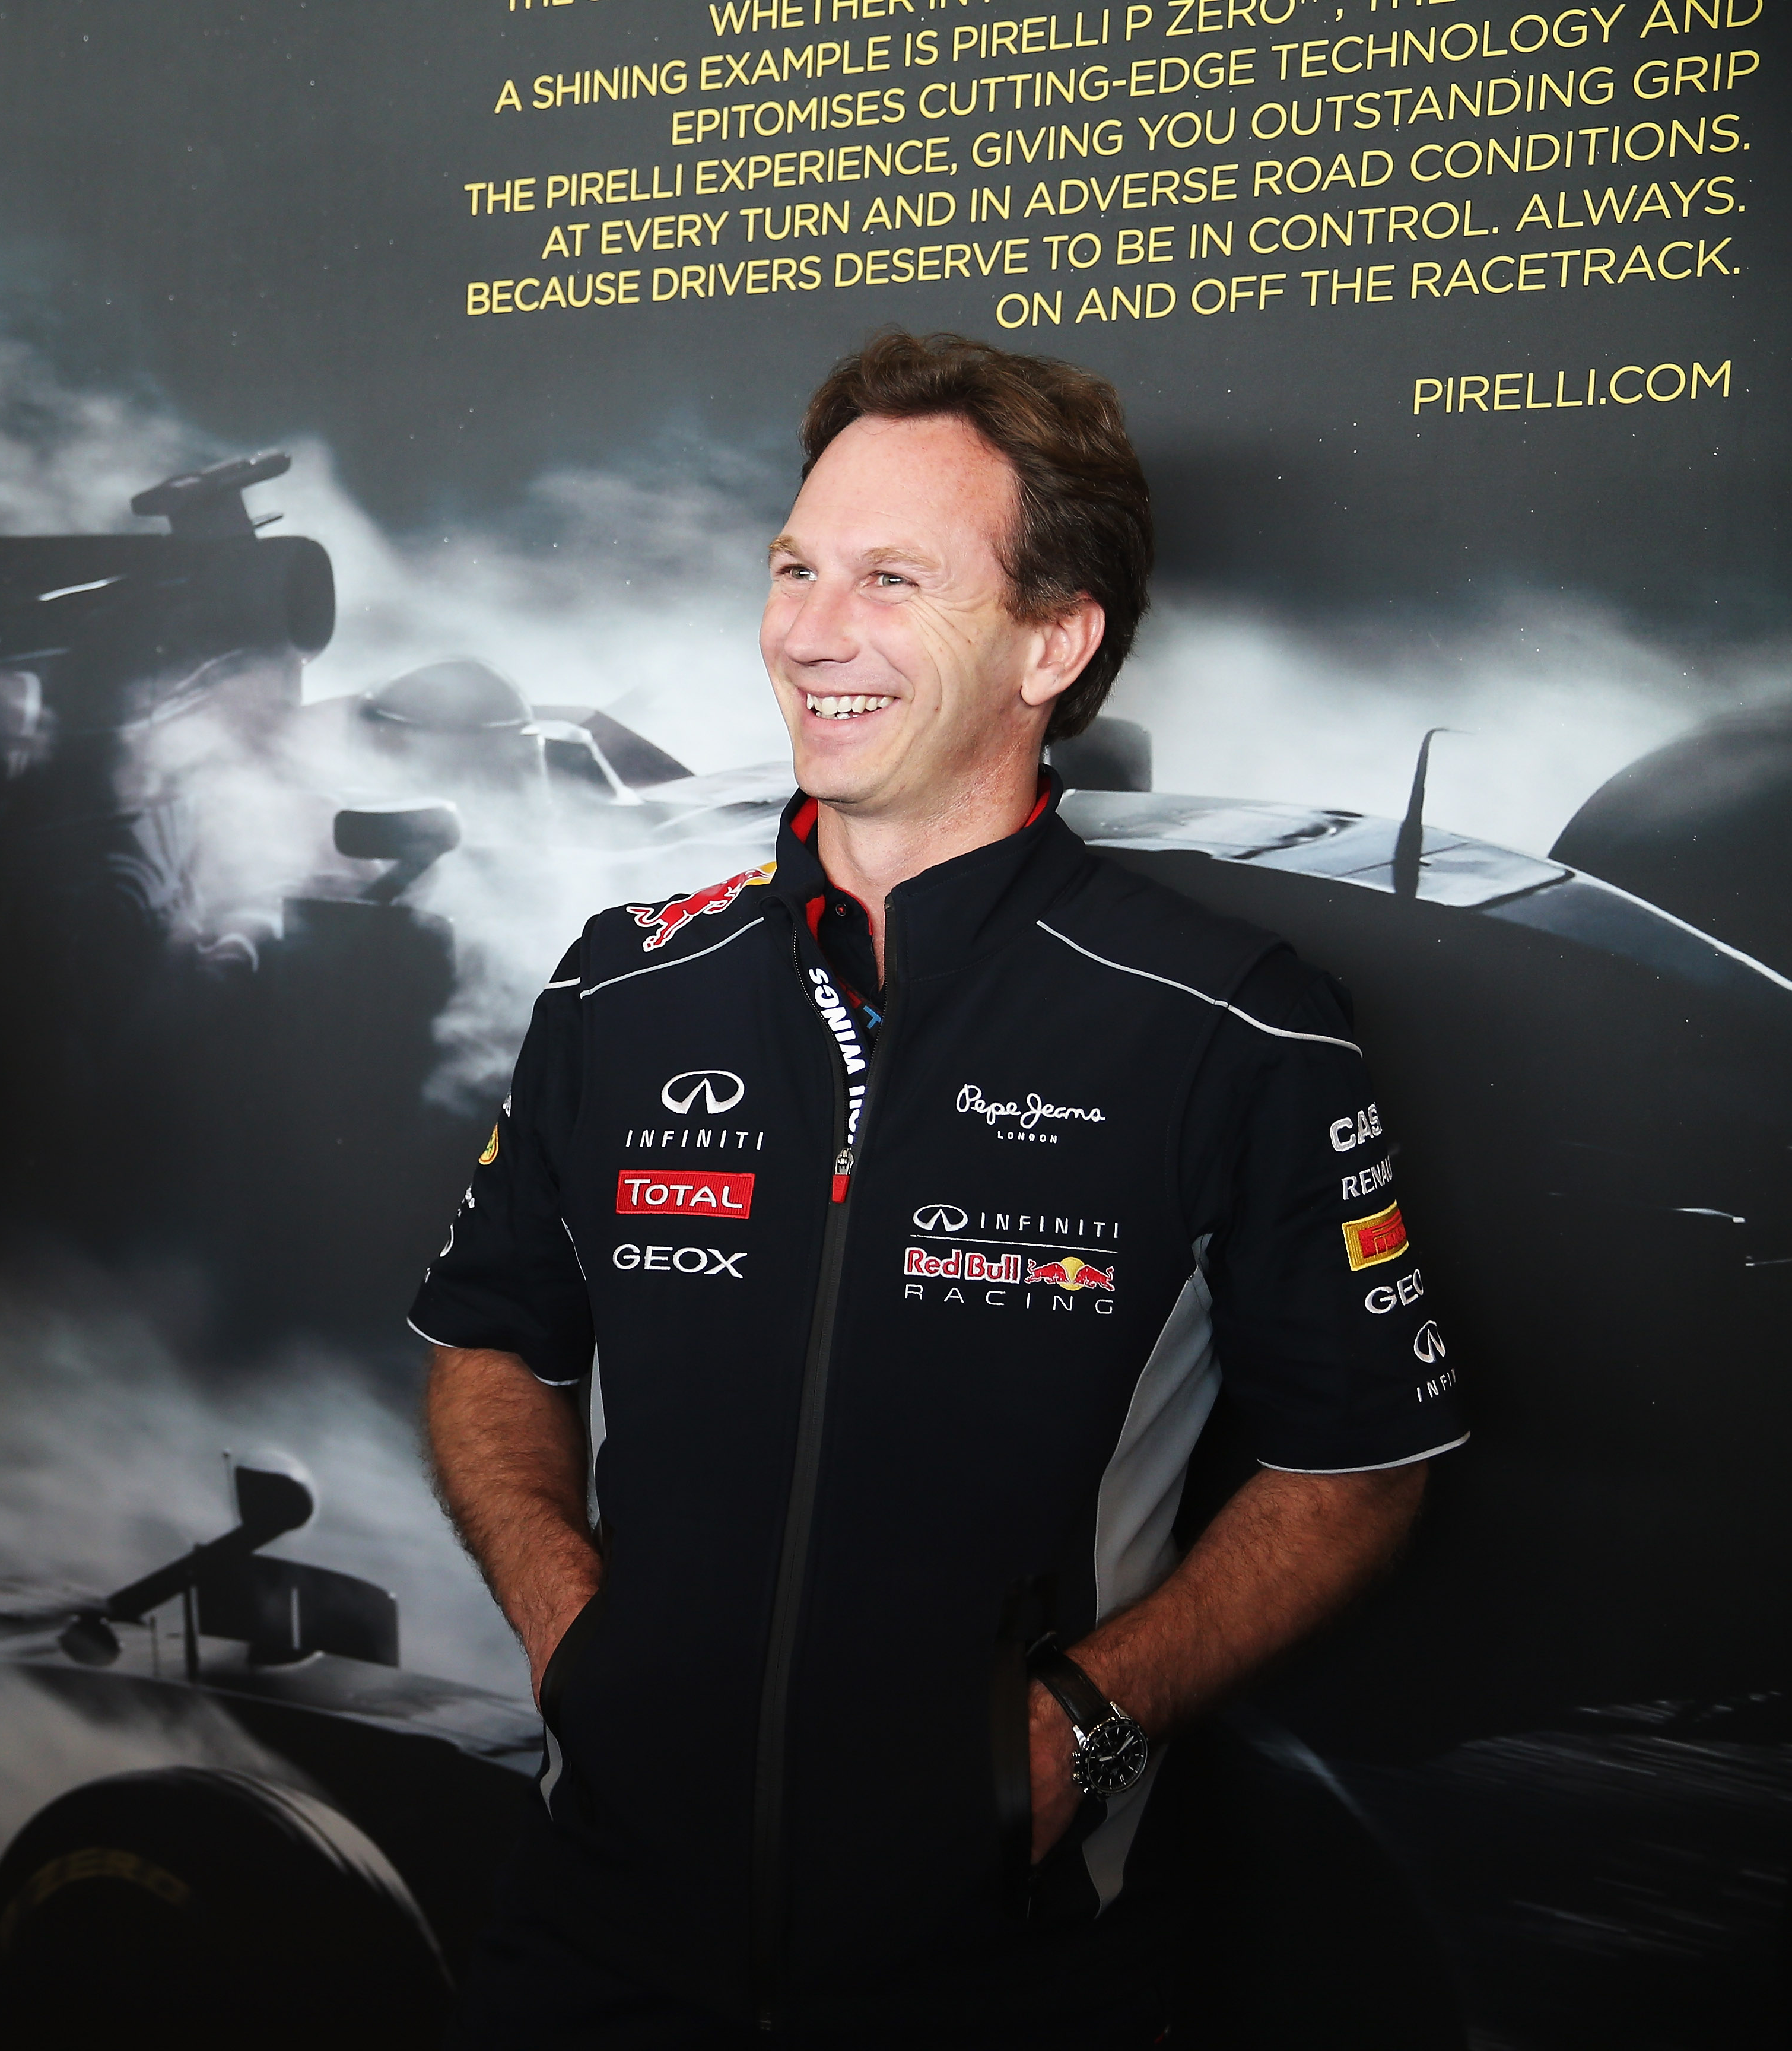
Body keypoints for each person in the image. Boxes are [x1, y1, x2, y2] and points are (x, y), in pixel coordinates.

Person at [412, 331, 1466, 2046]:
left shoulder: (1231, 1022)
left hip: (1013, 1964)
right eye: (795, 569)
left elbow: (1360, 1465)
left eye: (892, 581)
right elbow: (489, 1342)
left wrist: (1086, 1724)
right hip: (595, 1939)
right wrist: (567, 1634)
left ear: (1055, 642)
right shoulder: (621, 986)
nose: (809, 633)